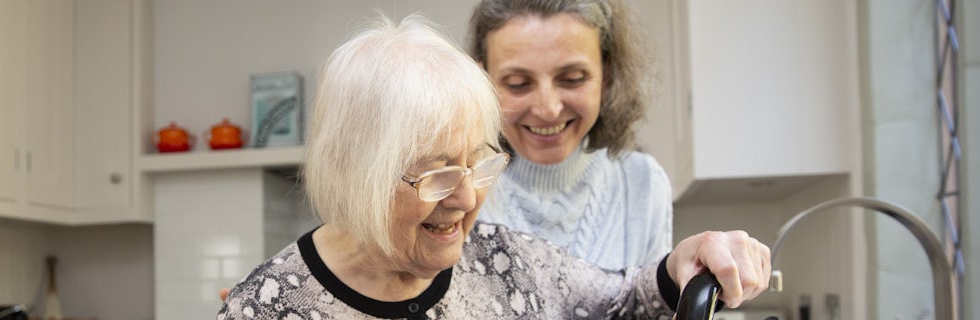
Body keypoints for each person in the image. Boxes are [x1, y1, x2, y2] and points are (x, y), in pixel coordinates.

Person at [217, 14, 770, 319]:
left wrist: (687, 261)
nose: (464, 200)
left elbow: (625, 299)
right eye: (435, 173)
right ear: (353, 170)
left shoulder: (503, 259)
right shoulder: (268, 308)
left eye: (477, 163)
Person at [468, 0, 673, 271]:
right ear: (482, 82)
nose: (548, 109)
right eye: (518, 84)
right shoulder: (460, 189)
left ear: (606, 75)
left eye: (572, 78)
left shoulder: (642, 184)